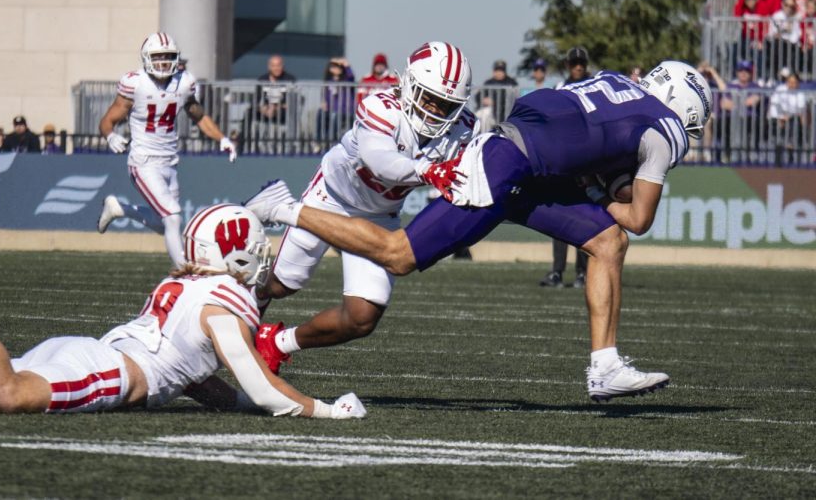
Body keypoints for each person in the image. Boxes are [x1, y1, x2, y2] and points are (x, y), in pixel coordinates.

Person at [246, 61, 712, 402]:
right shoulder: (665, 126)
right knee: (399, 255)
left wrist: (587, 176)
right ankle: (284, 209)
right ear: (685, 110)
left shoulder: (611, 81)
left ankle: (605, 365)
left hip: (520, 157)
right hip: (505, 167)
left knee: (608, 242)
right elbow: (639, 216)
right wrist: (597, 191)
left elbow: (545, 105)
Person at [0, 194, 365, 419]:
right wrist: (326, 411)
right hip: (110, 370)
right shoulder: (228, 301)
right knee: (10, 396)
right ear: (234, 254)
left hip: (85, 353)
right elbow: (262, 386)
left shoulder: (184, 285)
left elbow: (197, 379)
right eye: (258, 250)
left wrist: (240, 405)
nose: (261, 260)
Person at [255, 42, 477, 370]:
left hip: (379, 215)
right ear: (409, 84)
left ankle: (276, 343)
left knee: (362, 317)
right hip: (331, 198)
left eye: (446, 104)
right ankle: (235, 317)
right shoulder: (380, 106)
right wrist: (427, 170)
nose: (435, 110)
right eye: (429, 97)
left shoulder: (463, 130)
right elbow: (380, 162)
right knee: (282, 284)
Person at [96, 32, 237, 268]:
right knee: (172, 216)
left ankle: (121, 209)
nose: (162, 62)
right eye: (157, 56)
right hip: (143, 161)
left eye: (167, 56)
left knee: (165, 224)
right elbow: (107, 119)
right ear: (146, 58)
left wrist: (221, 138)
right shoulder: (135, 83)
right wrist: (110, 135)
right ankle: (185, 271)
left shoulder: (184, 83)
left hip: (170, 162)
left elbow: (198, 116)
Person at [542, 46, 593, 289]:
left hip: (586, 157)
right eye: (574, 62)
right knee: (560, 219)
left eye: (581, 62)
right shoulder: (559, 89)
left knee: (584, 218)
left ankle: (583, 273)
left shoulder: (594, 87)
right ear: (568, 64)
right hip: (564, 157)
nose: (578, 66)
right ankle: (557, 272)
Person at [254, 55, 297, 154]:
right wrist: (263, 109)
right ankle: (246, 143)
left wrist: (275, 107)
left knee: (285, 114)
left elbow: (290, 102)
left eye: (278, 65)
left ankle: (280, 147)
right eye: (273, 65)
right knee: (249, 113)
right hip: (265, 111)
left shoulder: (290, 79)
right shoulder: (262, 79)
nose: (276, 68)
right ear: (269, 66)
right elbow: (256, 100)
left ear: (282, 66)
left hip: (282, 111)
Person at [768, 72, 808, 166]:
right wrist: (780, 117)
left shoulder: (801, 94)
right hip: (776, 117)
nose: (792, 84)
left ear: (798, 83)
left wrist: (787, 116)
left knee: (794, 124)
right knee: (778, 129)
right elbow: (774, 105)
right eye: (790, 82)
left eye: (794, 82)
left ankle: (791, 155)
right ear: (786, 82)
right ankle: (778, 158)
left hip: (792, 118)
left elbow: (799, 111)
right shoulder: (780, 89)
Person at [316, 57, 356, 146]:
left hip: (345, 111)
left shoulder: (346, 80)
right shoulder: (328, 82)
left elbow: (351, 76)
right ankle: (319, 141)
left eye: (339, 67)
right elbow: (325, 96)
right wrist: (324, 103)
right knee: (320, 113)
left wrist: (346, 64)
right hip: (331, 109)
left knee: (335, 117)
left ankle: (332, 142)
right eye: (334, 66)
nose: (337, 68)